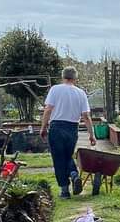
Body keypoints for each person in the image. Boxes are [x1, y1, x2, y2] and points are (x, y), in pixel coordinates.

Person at [40, 67, 96, 197]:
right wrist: (91, 135)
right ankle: (74, 174)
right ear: (75, 78)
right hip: (72, 128)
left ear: (62, 77)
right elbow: (86, 116)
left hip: (56, 127)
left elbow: (48, 109)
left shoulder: (55, 89)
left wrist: (43, 127)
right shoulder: (81, 93)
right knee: (68, 155)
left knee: (59, 158)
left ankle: (65, 191)